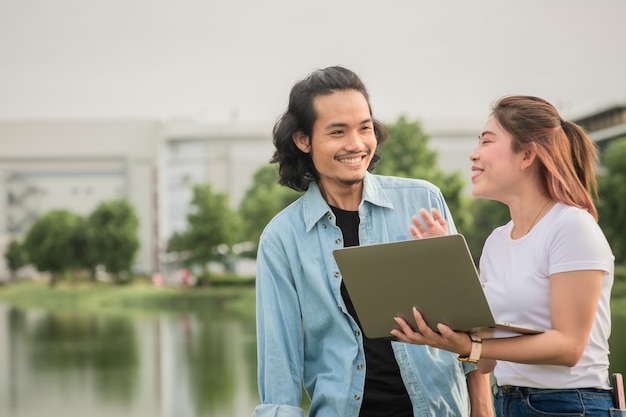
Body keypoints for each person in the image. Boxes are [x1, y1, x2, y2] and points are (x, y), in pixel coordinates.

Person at [253, 66, 493, 417]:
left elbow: (465, 319)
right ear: (304, 140)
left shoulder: (422, 201)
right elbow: (279, 363)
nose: (356, 144)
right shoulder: (282, 239)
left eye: (365, 128)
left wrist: (483, 409)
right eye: (338, 132)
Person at [392, 95, 619, 416]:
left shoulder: (571, 226)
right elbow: (486, 362)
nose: (474, 154)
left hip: (572, 404)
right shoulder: (497, 241)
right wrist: (447, 270)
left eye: (486, 141)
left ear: (526, 155)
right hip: (509, 402)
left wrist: (472, 346)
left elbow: (569, 347)